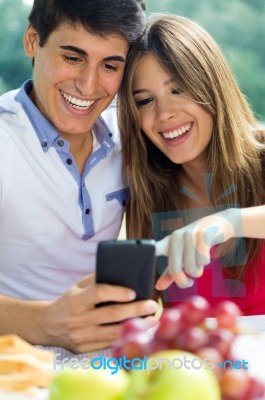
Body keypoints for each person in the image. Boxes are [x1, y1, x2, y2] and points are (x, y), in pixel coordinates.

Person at [0, 0, 158, 354]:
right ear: (32, 40)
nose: (88, 86)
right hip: (14, 365)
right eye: (72, 58)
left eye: (110, 66)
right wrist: (46, 322)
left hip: (106, 361)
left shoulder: (129, 132)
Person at [118, 14, 265, 315]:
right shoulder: (149, 198)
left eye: (178, 89)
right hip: (197, 363)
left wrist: (230, 222)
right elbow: (143, 316)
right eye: (145, 101)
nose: (164, 114)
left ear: (211, 85)